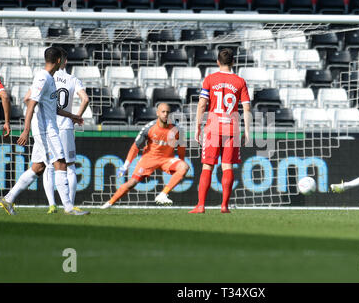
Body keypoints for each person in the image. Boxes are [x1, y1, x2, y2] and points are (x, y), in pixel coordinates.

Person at [0, 47, 89, 216]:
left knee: (38, 167)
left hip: (48, 128)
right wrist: (26, 131)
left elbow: (53, 107)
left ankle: (8, 199)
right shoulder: (43, 77)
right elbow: (31, 103)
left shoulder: (51, 79)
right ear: (59, 61)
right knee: (61, 162)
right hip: (45, 130)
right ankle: (68, 207)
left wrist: (73, 116)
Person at [189, 48, 252, 214]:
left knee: (207, 167)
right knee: (227, 166)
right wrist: (247, 130)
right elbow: (246, 107)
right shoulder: (240, 81)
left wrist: (197, 126)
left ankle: (201, 205)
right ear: (233, 62)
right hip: (232, 129)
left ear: (218, 62)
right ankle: (224, 205)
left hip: (212, 128)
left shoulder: (210, 79)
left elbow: (202, 104)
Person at [31, 47, 89, 214]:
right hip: (65, 127)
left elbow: (29, 98)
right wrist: (76, 116)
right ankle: (69, 204)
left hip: (47, 126)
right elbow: (85, 99)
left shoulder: (47, 77)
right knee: (68, 166)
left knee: (49, 166)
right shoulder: (72, 79)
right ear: (65, 60)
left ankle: (52, 205)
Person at [100, 103, 189, 209]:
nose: (165, 114)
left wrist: (181, 160)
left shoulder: (176, 129)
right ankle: (109, 203)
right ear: (157, 113)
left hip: (167, 159)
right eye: (163, 112)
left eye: (168, 112)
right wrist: (126, 165)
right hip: (149, 158)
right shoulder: (149, 128)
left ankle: (162, 194)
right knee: (132, 183)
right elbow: (135, 147)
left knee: (184, 167)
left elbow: (181, 147)